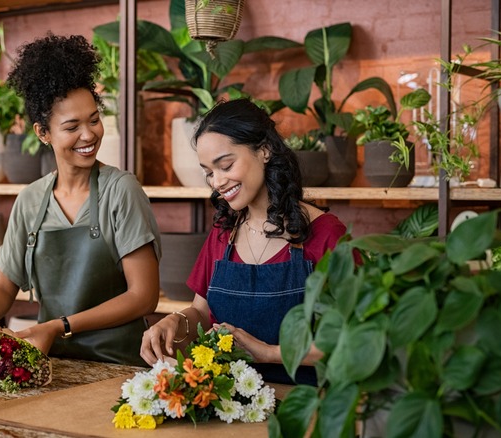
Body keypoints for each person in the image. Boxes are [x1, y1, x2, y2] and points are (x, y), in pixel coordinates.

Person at [0, 34, 161, 367]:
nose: (88, 135)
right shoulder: (30, 201)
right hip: (54, 365)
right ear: (43, 133)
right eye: (72, 126)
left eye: (94, 120)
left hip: (118, 366)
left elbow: (143, 297)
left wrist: (59, 327)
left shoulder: (121, 190)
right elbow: (4, 284)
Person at [140, 98, 347, 384]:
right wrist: (176, 321)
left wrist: (269, 352)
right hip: (227, 401)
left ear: (264, 150)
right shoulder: (224, 233)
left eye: (226, 165)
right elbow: (201, 310)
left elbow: (352, 339)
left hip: (303, 404)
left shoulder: (326, 235)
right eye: (209, 172)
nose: (217, 182)